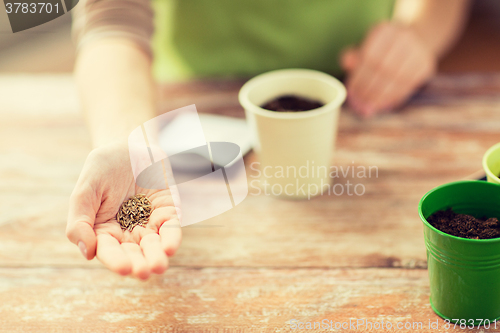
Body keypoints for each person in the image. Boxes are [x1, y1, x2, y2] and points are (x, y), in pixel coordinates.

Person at [66, 0, 470, 279]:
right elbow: (112, 17)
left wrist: (416, 32)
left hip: (366, 88)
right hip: (191, 91)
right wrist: (128, 143)